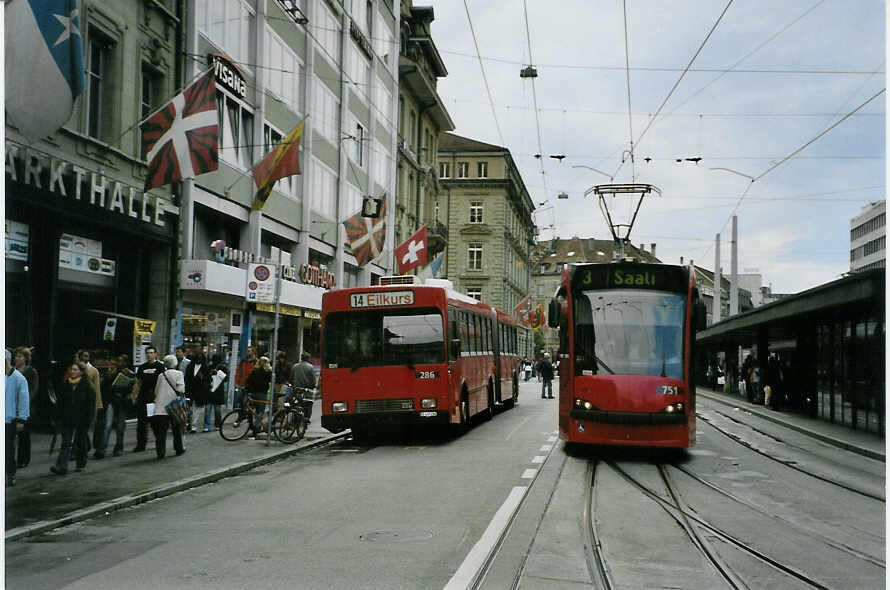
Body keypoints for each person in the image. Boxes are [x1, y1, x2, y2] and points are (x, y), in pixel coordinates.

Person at [50, 362, 93, 475]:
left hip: (82, 419)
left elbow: (90, 405)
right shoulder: (66, 385)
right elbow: (60, 403)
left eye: (75, 370)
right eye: (71, 370)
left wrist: (89, 420)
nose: (72, 372)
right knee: (66, 442)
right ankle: (61, 466)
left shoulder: (87, 386)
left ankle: (81, 463)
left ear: (81, 372)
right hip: (67, 418)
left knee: (80, 443)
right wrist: (57, 417)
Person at [96, 355, 134, 458]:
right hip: (112, 401)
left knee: (120, 427)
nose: (120, 363)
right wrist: (109, 377)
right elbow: (105, 387)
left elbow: (132, 388)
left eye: (122, 361)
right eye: (119, 361)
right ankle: (102, 449)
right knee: (107, 425)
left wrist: (130, 381)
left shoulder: (129, 373)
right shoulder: (112, 372)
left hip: (122, 403)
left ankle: (118, 448)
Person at [151, 354, 186, 458]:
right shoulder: (179, 374)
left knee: (161, 432)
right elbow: (181, 390)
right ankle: (178, 449)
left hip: (161, 407)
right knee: (176, 429)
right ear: (175, 363)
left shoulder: (161, 376)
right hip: (174, 406)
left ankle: (160, 453)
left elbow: (156, 391)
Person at [131, 346, 165, 452]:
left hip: (154, 398)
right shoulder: (142, 367)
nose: (149, 355)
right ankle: (141, 444)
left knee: (155, 423)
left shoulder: (160, 366)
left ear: (155, 354)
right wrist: (134, 396)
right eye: (147, 353)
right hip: (143, 397)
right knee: (141, 423)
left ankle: (159, 445)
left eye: (151, 353)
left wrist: (160, 397)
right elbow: (138, 382)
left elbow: (163, 383)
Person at [6, 350, 30, 487]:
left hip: (10, 419)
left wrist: (21, 419)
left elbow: (24, 399)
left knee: (8, 449)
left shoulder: (18, 378)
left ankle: (10, 474)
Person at [13, 346, 37, 469]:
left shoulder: (31, 372)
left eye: (20, 356)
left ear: (25, 358)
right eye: (16, 356)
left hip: (25, 406)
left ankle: (23, 459)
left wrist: (25, 403)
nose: (17, 358)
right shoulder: (12, 370)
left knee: (23, 434)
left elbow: (33, 390)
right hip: (12, 406)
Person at [78, 350, 103, 452]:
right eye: (83, 356)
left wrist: (98, 403)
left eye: (87, 356)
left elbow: (97, 389)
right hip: (79, 402)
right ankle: (84, 445)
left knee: (87, 426)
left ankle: (88, 445)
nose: (85, 358)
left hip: (90, 402)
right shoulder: (76, 369)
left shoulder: (93, 370)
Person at [184, 352, 212, 433]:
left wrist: (203, 378)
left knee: (197, 409)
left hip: (200, 391)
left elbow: (208, 379)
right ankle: (191, 425)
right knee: (190, 409)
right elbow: (187, 378)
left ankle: (193, 426)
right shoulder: (190, 366)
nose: (199, 359)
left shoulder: (205, 368)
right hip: (191, 390)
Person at [203, 354, 227, 431]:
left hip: (209, 391)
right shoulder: (223, 368)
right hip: (219, 391)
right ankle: (218, 425)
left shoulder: (209, 367)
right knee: (217, 410)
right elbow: (226, 379)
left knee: (208, 410)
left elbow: (205, 378)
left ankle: (207, 426)